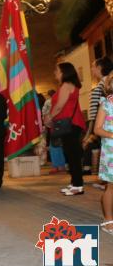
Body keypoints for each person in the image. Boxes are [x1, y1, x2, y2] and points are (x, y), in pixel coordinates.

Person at [45, 62, 86, 196]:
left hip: (70, 124)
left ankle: (78, 185)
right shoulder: (67, 85)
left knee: (72, 155)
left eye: (56, 70)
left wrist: (49, 117)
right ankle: (75, 183)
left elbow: (59, 106)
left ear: (63, 72)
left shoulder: (66, 85)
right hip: (71, 124)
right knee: (70, 154)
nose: (54, 72)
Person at [93, 73, 113, 235]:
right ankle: (108, 219)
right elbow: (97, 129)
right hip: (111, 152)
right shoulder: (106, 104)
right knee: (111, 188)